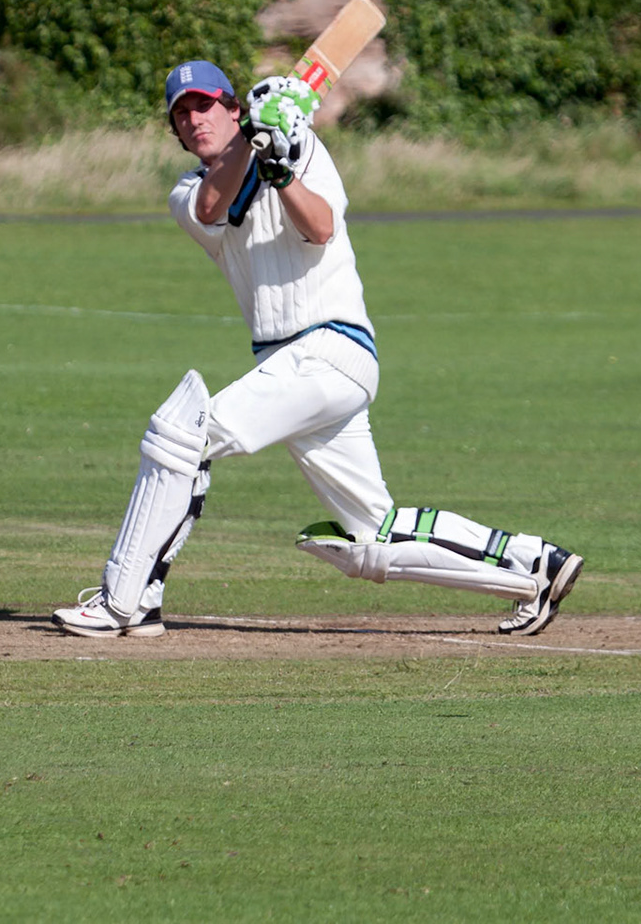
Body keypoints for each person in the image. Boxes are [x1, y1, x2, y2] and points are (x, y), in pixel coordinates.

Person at [52, 59, 582, 639]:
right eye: (182, 113)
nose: (194, 119)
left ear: (231, 107)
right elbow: (214, 207)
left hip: (331, 348)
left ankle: (125, 601)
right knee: (370, 538)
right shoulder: (187, 192)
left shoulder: (302, 148)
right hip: (292, 367)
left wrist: (282, 171)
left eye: (205, 105)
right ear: (176, 131)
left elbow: (320, 227)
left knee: (181, 434)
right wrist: (256, 140)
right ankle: (534, 565)